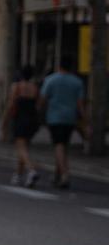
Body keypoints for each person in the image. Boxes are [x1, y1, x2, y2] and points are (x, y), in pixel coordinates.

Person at [39, 56, 87, 189]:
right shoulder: (77, 82)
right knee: (63, 145)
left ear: (59, 66)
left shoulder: (50, 80)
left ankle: (65, 174)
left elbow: (43, 99)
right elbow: (80, 104)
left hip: (54, 117)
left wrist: (39, 111)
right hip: (70, 118)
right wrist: (85, 120)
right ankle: (57, 174)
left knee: (58, 145)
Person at [2, 66, 41, 187]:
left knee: (21, 147)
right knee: (24, 148)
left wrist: (4, 121)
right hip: (32, 119)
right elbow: (39, 105)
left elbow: (11, 104)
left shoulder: (17, 87)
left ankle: (31, 169)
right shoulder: (35, 88)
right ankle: (18, 175)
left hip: (20, 119)